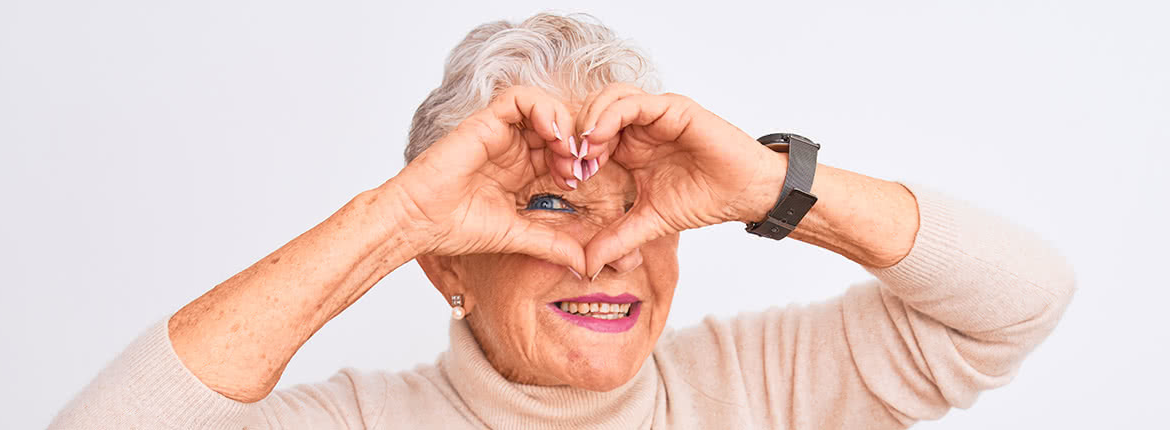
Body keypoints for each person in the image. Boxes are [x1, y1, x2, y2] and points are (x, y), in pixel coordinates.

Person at [52, 12, 1075, 429]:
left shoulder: (758, 388)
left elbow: (1024, 299)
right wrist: (397, 217)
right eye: (545, 205)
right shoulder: (358, 421)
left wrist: (770, 186)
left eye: (635, 210)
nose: (604, 252)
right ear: (446, 263)